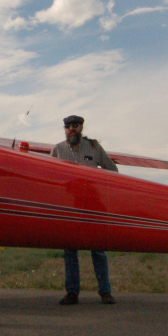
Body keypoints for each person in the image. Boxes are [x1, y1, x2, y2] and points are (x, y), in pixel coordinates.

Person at [50, 114, 117, 306]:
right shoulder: (58, 149)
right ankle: (72, 293)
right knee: (70, 251)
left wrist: (99, 185)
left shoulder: (94, 147)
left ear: (81, 127)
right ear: (65, 129)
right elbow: (51, 175)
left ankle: (105, 292)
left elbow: (112, 170)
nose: (72, 128)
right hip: (69, 206)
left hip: (92, 205)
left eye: (75, 125)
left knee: (98, 251)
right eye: (68, 126)